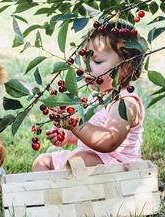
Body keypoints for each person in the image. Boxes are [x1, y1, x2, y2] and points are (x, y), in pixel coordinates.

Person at [32, 21, 146, 171]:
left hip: (117, 166)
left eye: (97, 61)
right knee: (42, 162)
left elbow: (109, 141)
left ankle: (67, 192)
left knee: (77, 163)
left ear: (125, 68)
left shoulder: (126, 103)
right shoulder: (97, 97)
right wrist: (68, 136)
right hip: (88, 156)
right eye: (86, 59)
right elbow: (88, 136)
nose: (87, 67)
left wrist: (76, 125)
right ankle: (50, 193)